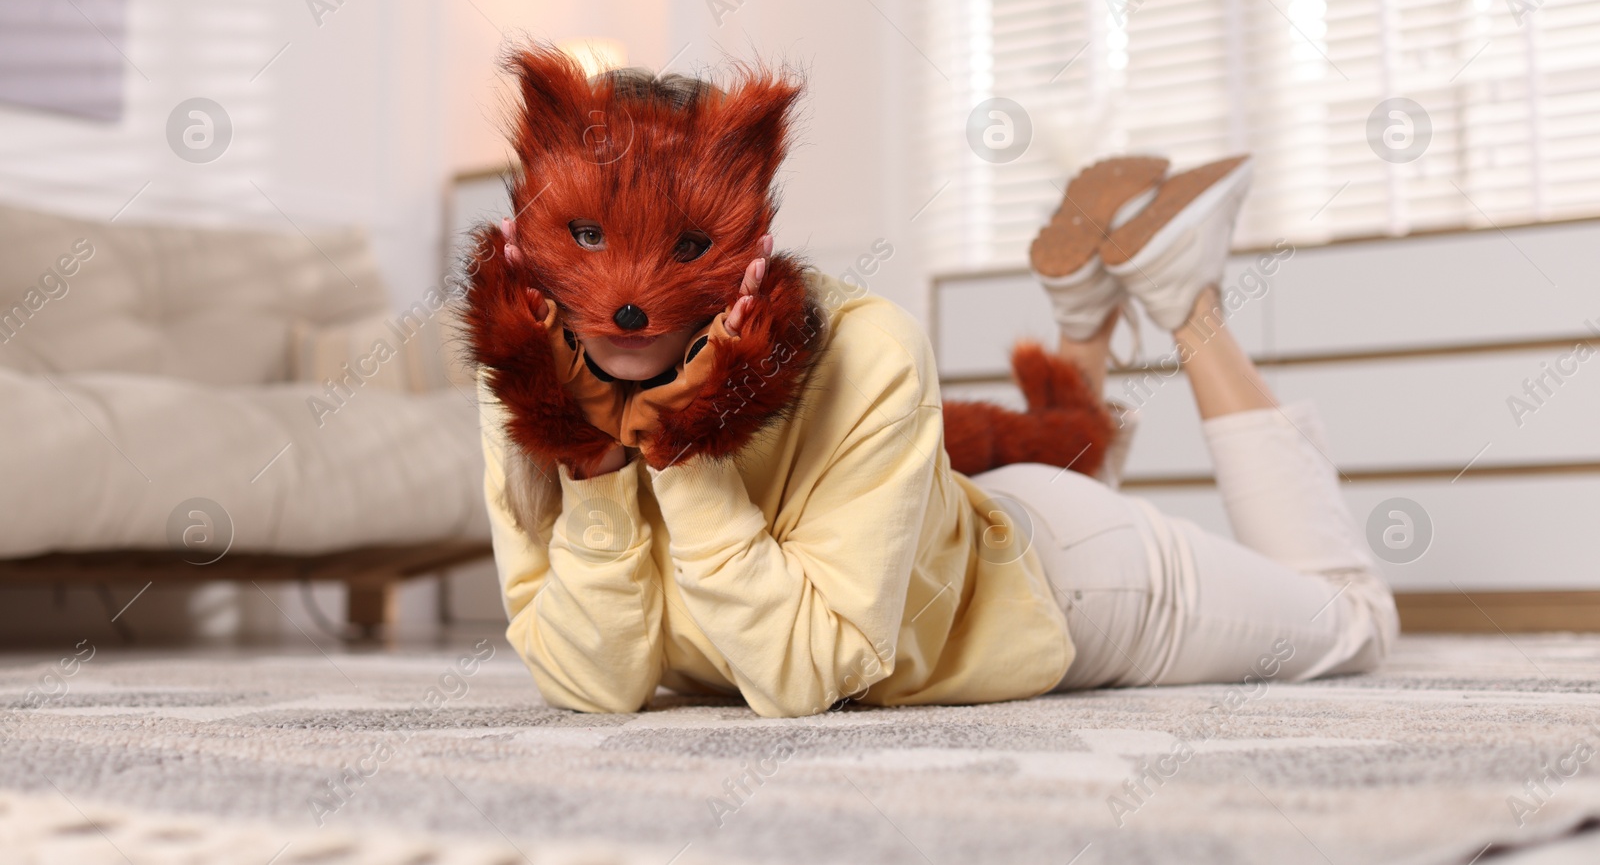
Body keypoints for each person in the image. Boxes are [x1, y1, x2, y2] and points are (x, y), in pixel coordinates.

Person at [470, 56, 1397, 718]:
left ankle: (1184, 300)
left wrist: (688, 446)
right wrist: (590, 471)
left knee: (1355, 619)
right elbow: (594, 686)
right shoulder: (529, 371)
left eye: (679, 245)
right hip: (925, 543)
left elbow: (803, 680)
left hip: (1058, 579)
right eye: (587, 238)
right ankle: (1087, 314)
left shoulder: (868, 348)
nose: (626, 300)